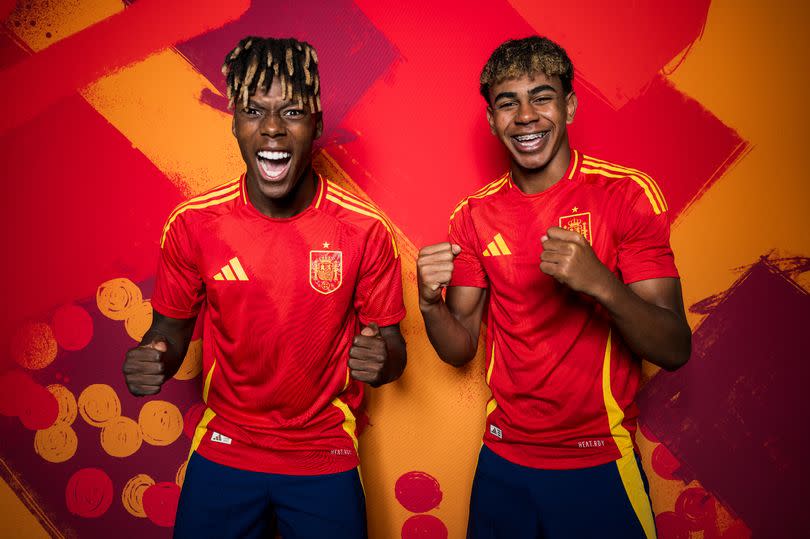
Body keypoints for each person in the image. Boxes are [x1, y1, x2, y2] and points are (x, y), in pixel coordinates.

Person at [123, 36, 406, 539]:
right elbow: (167, 331)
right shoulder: (195, 225)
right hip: (227, 444)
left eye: (292, 111)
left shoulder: (364, 229)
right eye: (254, 110)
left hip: (324, 451)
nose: (272, 128)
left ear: (316, 124)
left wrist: (384, 358)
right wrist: (154, 357)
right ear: (233, 120)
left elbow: (392, 345)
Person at [417, 36, 691, 539]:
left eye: (541, 97)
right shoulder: (473, 215)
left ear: (568, 106)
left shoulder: (625, 194)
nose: (525, 116)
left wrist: (602, 284)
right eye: (507, 102)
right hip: (503, 460)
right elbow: (460, 349)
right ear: (491, 120)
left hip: (598, 460)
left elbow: (674, 347)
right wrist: (430, 305)